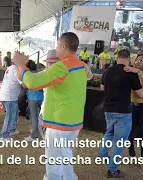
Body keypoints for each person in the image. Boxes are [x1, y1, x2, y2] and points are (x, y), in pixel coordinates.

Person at [13, 32, 86, 180]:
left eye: (58, 45)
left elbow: (32, 84)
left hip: (59, 124)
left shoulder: (62, 67)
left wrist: (21, 65)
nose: (57, 48)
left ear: (64, 46)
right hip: (73, 123)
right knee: (65, 156)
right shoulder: (79, 65)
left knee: (53, 164)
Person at [98, 49, 143, 178]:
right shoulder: (130, 73)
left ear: (117, 57)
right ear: (129, 59)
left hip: (109, 109)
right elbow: (141, 93)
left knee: (109, 134)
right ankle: (112, 170)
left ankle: (102, 155)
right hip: (123, 111)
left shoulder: (108, 71)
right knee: (119, 143)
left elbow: (102, 87)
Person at [0, 59, 25, 140]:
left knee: (15, 114)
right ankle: (3, 135)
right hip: (9, 96)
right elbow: (24, 84)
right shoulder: (15, 70)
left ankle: (12, 130)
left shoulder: (10, 68)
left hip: (8, 95)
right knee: (9, 116)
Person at [24, 60, 44, 141]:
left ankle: (34, 136)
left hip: (33, 98)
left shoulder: (28, 75)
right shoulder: (40, 74)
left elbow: (25, 86)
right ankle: (37, 130)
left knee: (34, 117)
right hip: (41, 98)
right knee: (40, 116)